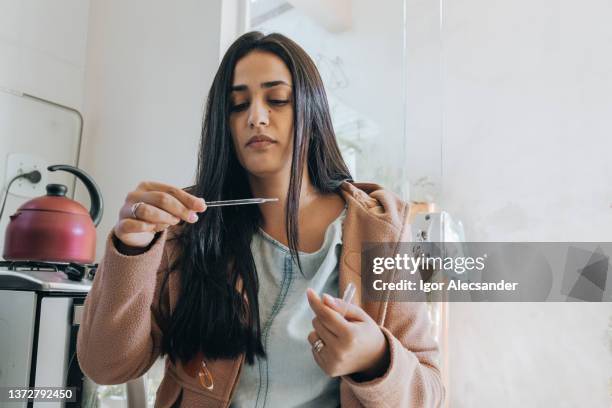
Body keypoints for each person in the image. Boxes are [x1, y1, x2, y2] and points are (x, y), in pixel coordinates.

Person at [76, 31, 445, 408]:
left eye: (277, 99)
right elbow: (105, 367)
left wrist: (376, 358)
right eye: (238, 105)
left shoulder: (380, 231)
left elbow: (430, 392)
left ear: (311, 109)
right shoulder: (187, 229)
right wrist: (130, 250)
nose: (255, 117)